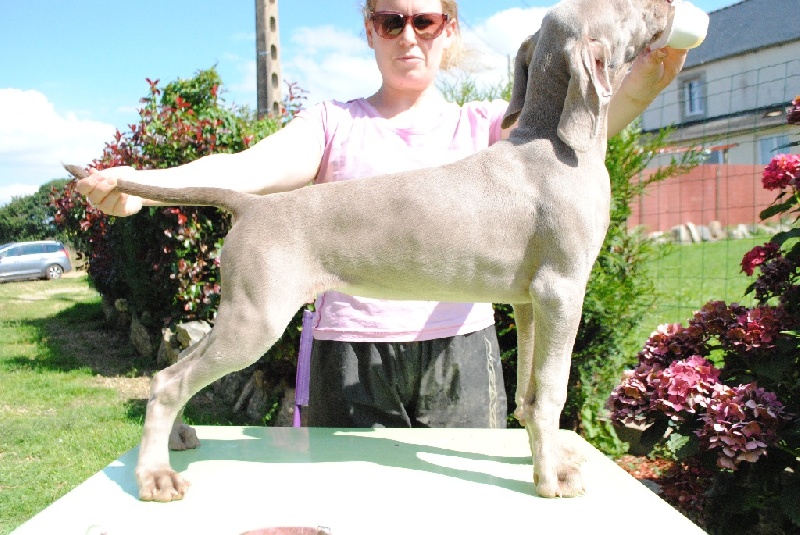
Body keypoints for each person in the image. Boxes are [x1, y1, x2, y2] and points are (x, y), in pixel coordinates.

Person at [77, 0, 688, 429]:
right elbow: (242, 171)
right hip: (351, 358)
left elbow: (578, 136)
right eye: (390, 21)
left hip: (460, 359)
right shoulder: (332, 123)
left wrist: (644, 83)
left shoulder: (488, 125)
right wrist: (143, 187)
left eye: (424, 21)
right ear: (369, 30)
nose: (408, 37)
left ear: (448, 29)